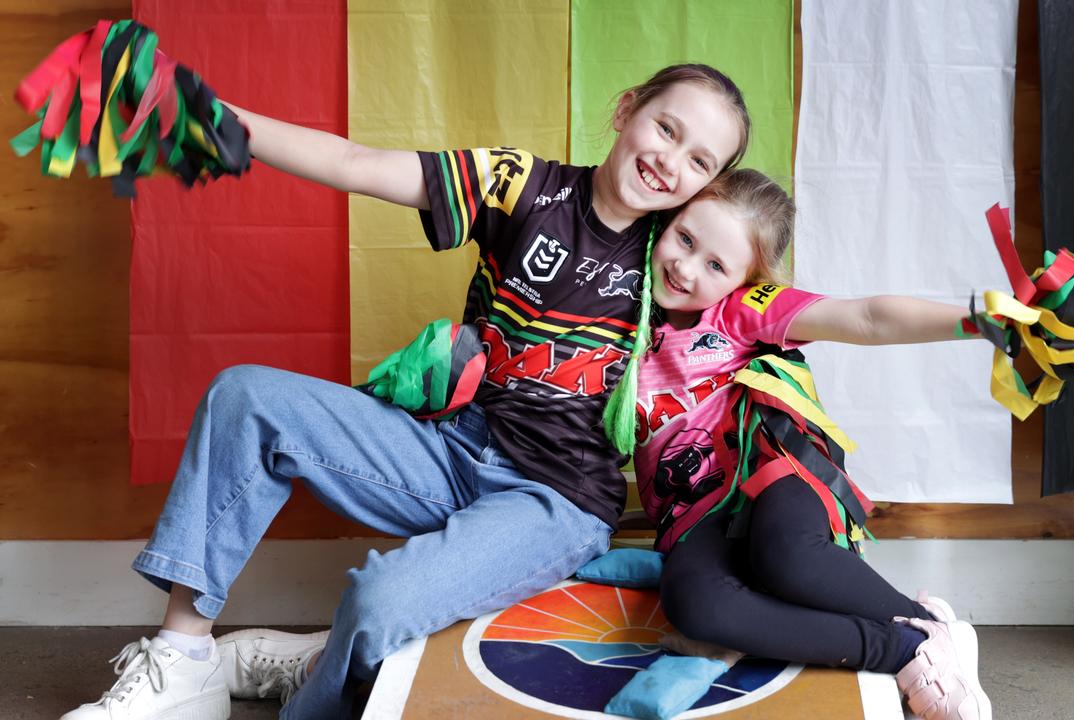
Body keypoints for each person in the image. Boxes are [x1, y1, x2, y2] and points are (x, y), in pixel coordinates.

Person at [61, 63, 751, 720]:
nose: (672, 161)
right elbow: (354, 164)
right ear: (626, 109)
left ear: (711, 186)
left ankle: (311, 678)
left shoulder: (684, 255)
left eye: (701, 161)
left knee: (378, 605)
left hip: (555, 501)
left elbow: (796, 314)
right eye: (667, 128)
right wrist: (211, 113)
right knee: (245, 397)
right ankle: (183, 661)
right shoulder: (520, 184)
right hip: (450, 447)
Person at [629, 169, 993, 720]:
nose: (685, 266)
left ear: (745, 279)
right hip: (694, 515)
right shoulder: (615, 315)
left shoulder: (739, 310)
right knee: (696, 608)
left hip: (771, 479)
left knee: (787, 558)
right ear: (668, 219)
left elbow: (866, 317)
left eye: (716, 265)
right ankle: (906, 645)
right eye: (685, 238)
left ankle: (926, 633)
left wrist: (985, 321)